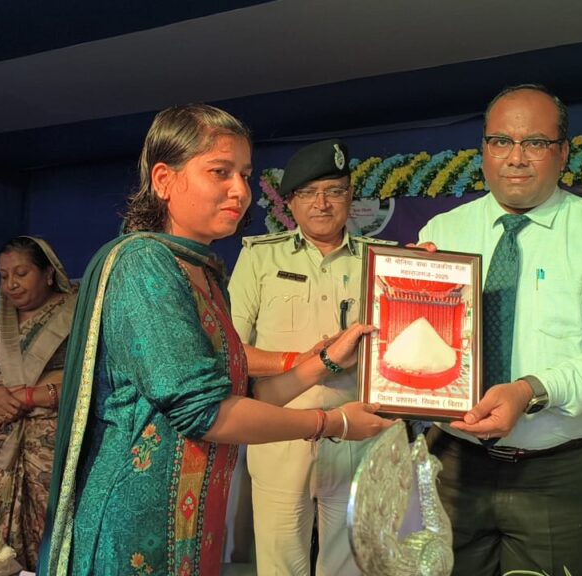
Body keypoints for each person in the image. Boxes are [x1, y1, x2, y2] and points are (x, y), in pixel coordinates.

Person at [38, 104, 392, 576]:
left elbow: (237, 392)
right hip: (139, 526)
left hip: (192, 515)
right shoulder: (145, 264)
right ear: (164, 180)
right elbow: (205, 412)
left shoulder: (202, 271)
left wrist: (324, 361)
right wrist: (334, 423)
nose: (241, 191)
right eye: (220, 172)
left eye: (244, 174)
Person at [416, 84, 582, 575]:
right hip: (455, 464)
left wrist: (530, 391)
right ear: (484, 148)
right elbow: (418, 348)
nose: (516, 157)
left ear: (563, 152)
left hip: (558, 475)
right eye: (501, 141)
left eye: (536, 143)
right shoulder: (441, 233)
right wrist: (405, 297)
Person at [229, 138, 396, 576]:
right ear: (290, 202)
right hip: (280, 435)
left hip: (357, 436)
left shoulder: (385, 260)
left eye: (334, 191)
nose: (321, 204)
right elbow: (229, 351)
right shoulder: (259, 258)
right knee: (280, 567)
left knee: (350, 567)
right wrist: (300, 361)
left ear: (350, 196)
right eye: (308, 193)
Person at [0, 236, 75, 570]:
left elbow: (93, 378)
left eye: (21, 274)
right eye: (4, 276)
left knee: (54, 544)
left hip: (51, 453)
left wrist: (30, 396)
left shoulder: (78, 319)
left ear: (48, 274)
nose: (11, 284)